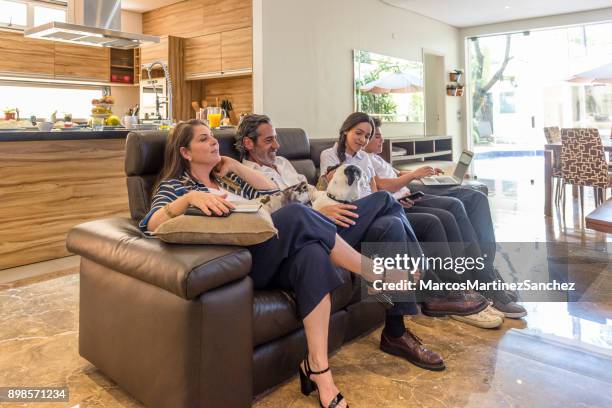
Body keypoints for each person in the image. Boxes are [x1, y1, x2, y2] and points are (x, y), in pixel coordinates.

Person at [140, 120, 426, 408]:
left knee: (313, 253)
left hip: (277, 253)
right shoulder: (177, 186)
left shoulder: (228, 179)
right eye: (204, 139)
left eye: (213, 137)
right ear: (185, 153)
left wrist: (236, 167)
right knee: (298, 214)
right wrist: (188, 198)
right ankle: (376, 272)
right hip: (247, 261)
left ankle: (318, 369)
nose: (214, 142)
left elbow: (276, 192)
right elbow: (151, 223)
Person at [235, 114, 496, 332]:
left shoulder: (283, 163)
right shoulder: (246, 176)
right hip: (310, 232)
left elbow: (312, 192)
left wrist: (326, 205)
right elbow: (280, 208)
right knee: (384, 200)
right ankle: (432, 291)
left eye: (277, 139)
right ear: (248, 143)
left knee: (391, 222)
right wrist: (322, 210)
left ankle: (397, 331)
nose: (277, 145)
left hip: (330, 217)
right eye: (269, 140)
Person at [321, 113, 526, 319]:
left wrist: (393, 196)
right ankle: (448, 290)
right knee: (434, 218)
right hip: (359, 212)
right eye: (359, 133)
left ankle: (472, 281)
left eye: (367, 136)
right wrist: (396, 190)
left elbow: (374, 190)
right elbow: (331, 188)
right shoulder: (329, 155)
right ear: (345, 130)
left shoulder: (364, 157)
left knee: (454, 207)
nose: (363, 140)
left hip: (384, 205)